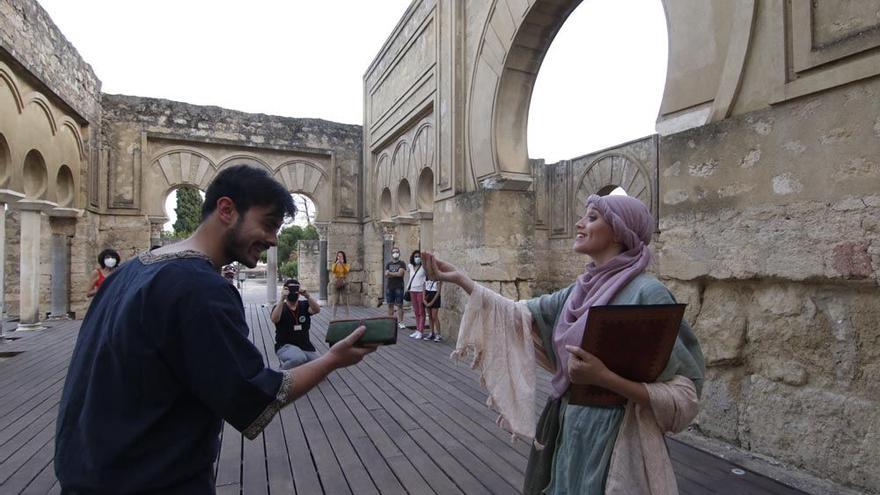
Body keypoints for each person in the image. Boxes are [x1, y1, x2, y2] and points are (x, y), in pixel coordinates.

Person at [55, 164, 379, 494]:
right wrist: (332, 360)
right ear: (226, 209)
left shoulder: (131, 270)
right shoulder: (201, 288)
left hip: (88, 475)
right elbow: (254, 394)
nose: (272, 239)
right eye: (267, 224)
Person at [424, 194, 705, 495]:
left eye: (593, 217)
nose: (579, 223)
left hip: (618, 439)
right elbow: (518, 314)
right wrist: (462, 280)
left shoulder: (648, 294)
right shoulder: (578, 291)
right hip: (569, 430)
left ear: (620, 231)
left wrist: (605, 379)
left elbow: (683, 395)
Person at [272, 279, 321, 369]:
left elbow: (316, 310)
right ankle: (280, 373)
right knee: (299, 358)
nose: (293, 292)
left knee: (321, 366)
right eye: (291, 289)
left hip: (304, 346)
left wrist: (308, 296)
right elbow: (275, 319)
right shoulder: (280, 307)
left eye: (295, 289)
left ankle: (298, 368)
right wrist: (282, 298)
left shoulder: (304, 305)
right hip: (285, 346)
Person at [384, 246, 407, 328]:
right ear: (391, 254)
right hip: (390, 287)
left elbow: (400, 274)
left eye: (397, 252)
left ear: (399, 253)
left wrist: (390, 273)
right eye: (393, 252)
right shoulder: (388, 264)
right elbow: (386, 274)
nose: (395, 253)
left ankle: (401, 322)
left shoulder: (402, 263)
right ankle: (391, 322)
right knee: (390, 305)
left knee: (400, 305)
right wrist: (395, 274)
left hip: (399, 287)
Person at [406, 250, 427, 339]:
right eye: (415, 256)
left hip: (420, 291)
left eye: (418, 256)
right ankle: (417, 329)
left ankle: (421, 331)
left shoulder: (424, 267)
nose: (417, 258)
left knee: (421, 311)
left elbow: (426, 279)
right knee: (415, 311)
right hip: (412, 290)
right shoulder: (410, 266)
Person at [330, 250, 350, 318]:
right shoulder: (334, 264)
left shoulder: (346, 264)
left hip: (344, 282)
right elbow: (333, 270)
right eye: (338, 256)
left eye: (341, 256)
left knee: (345, 301)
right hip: (336, 282)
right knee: (335, 301)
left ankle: (347, 316)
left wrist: (342, 263)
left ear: (343, 257)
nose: (339, 257)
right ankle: (333, 317)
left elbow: (346, 271)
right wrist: (336, 263)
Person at [423, 275, 443, 342]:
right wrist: (424, 299)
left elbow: (438, 292)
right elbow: (424, 288)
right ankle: (431, 333)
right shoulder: (426, 278)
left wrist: (432, 302)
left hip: (434, 298)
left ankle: (439, 334)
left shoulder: (438, 279)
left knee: (434, 316)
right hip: (428, 296)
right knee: (430, 316)